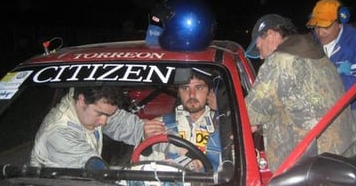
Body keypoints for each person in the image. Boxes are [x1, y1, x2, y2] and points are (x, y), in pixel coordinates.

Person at [245, 14, 356, 173]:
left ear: (271, 35)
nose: (261, 56)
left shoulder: (282, 61)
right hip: (343, 152)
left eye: (259, 48)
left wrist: (222, 108)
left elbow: (249, 114)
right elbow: (299, 106)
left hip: (314, 166)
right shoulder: (316, 55)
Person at [307, 0, 356, 170]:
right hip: (328, 107)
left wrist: (321, 89)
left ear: (340, 20)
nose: (320, 32)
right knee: (333, 150)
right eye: (317, 26)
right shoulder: (312, 42)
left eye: (325, 26)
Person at [30, 86, 165, 168]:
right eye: (100, 114)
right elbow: (95, 170)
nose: (104, 121)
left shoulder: (92, 106)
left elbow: (128, 125)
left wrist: (148, 133)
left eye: (108, 115)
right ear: (82, 101)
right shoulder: (59, 133)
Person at [142, 69, 222, 172]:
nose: (192, 95)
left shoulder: (225, 125)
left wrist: (224, 110)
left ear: (210, 92)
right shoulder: (160, 124)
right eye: (185, 88)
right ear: (178, 93)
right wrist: (146, 143)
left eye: (198, 87)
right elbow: (138, 167)